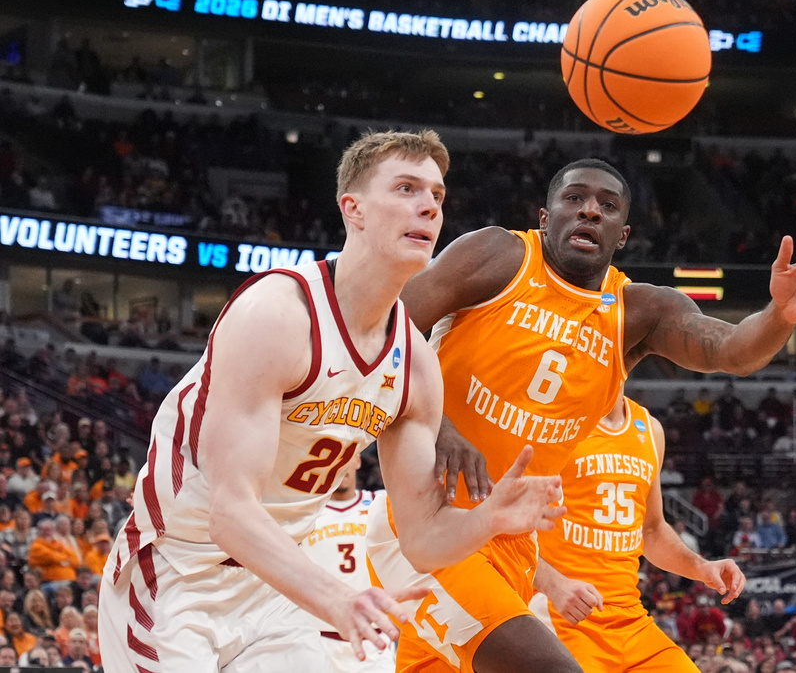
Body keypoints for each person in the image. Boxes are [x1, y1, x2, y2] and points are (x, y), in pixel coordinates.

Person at [98, 130, 566, 671]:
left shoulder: (415, 365)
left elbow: (423, 539)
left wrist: (488, 519)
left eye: (437, 196)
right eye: (407, 188)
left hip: (278, 586)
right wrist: (337, 597)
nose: (428, 206)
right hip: (178, 573)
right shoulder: (277, 313)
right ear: (354, 209)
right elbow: (229, 514)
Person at [369, 157, 796, 672]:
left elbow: (730, 350)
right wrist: (438, 424)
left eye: (608, 206)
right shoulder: (499, 255)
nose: (591, 211)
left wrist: (779, 317)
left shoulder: (637, 313)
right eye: (574, 199)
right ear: (545, 217)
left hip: (510, 544)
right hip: (422, 525)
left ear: (623, 235)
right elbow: (383, 329)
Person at [532, 390, 745, 671]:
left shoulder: (649, 427)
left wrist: (700, 567)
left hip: (629, 618)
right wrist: (553, 583)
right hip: (561, 612)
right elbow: (502, 530)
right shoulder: (548, 418)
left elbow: (652, 530)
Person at [299, 453, 395, 672]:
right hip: (317, 641)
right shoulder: (304, 513)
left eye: (346, 456)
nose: (339, 464)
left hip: (375, 640)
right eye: (332, 458)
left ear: (358, 461)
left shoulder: (382, 503)